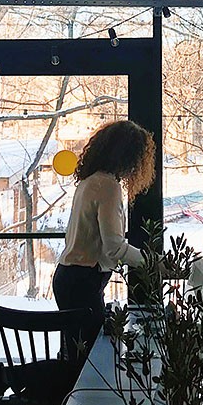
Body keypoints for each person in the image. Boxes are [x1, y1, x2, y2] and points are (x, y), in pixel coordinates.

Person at [53, 120, 156, 347]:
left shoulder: (90, 181)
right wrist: (153, 263)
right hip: (83, 280)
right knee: (90, 356)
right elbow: (114, 248)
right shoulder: (108, 186)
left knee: (76, 351)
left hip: (69, 276)